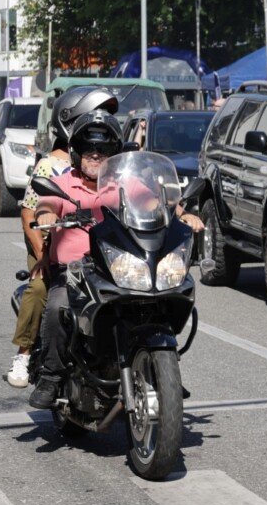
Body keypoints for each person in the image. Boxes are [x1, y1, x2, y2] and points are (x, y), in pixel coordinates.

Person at [28, 110, 204, 409]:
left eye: (104, 150)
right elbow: (47, 202)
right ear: (76, 153)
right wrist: (47, 213)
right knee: (59, 307)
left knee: (158, 298)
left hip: (117, 263)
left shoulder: (124, 184)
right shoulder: (65, 182)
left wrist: (181, 214)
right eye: (89, 149)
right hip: (76, 268)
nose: (95, 156)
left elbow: (153, 201)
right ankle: (52, 375)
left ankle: (162, 371)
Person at [5, 87, 119, 389]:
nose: (99, 122)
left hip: (104, 249)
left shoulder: (111, 168)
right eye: (90, 117)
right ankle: (27, 356)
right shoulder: (51, 166)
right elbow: (31, 213)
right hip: (52, 244)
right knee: (43, 290)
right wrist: (43, 251)